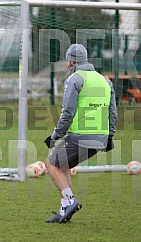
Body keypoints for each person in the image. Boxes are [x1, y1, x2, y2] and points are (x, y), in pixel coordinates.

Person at [44, 44, 117, 223]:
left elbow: (67, 112)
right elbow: (113, 112)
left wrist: (55, 135)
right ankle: (64, 211)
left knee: (51, 164)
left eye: (68, 61)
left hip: (80, 136)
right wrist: (110, 136)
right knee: (63, 165)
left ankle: (70, 200)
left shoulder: (75, 79)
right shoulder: (105, 80)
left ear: (71, 61)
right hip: (100, 139)